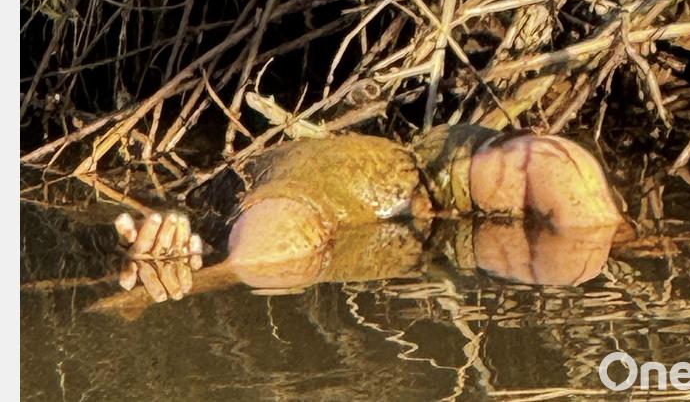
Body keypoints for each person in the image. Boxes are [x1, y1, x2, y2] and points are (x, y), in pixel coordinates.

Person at [106, 124, 623, 305]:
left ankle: (178, 267)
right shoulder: (377, 170)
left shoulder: (418, 176)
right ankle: (176, 267)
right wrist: (219, 275)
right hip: (275, 207)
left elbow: (570, 194)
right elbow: (291, 217)